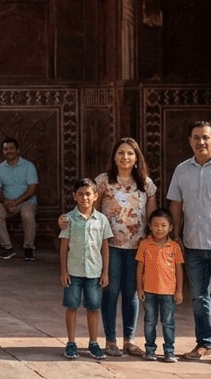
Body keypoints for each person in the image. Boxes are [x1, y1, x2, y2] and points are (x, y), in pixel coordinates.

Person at [94, 138, 157, 357]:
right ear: (114, 156)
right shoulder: (103, 182)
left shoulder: (145, 184)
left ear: (136, 157)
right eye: (121, 153)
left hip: (137, 246)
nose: (125, 157)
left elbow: (151, 215)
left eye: (130, 153)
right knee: (111, 291)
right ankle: (110, 340)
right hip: (109, 245)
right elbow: (91, 209)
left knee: (131, 293)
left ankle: (129, 340)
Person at [167, 120, 211, 360]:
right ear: (190, 141)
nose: (201, 142)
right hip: (193, 243)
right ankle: (204, 343)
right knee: (199, 296)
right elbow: (175, 204)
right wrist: (176, 236)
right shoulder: (182, 170)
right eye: (196, 137)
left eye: (205, 137)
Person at [58, 178, 112, 360]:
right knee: (72, 306)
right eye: (80, 194)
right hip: (73, 271)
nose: (85, 198)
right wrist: (64, 271)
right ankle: (71, 342)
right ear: (74, 196)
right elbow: (64, 247)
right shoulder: (69, 219)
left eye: (88, 194)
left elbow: (104, 247)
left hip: (94, 272)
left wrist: (105, 272)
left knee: (93, 307)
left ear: (96, 196)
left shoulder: (102, 220)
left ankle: (94, 342)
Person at [137, 208, 184, 362]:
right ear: (150, 226)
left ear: (170, 227)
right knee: (150, 321)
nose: (159, 229)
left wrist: (179, 291)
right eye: (156, 225)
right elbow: (139, 268)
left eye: (163, 225)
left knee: (168, 322)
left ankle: (169, 351)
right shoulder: (144, 244)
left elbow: (179, 270)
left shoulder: (174, 247)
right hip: (149, 290)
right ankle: (150, 350)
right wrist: (139, 288)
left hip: (168, 292)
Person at [0, 137, 39, 261]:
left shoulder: (28, 166)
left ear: (18, 150)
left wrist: (16, 202)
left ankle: (29, 248)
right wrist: (5, 202)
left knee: (28, 215)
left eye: (11, 148)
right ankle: (8, 248)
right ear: (3, 151)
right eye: (5, 149)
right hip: (7, 202)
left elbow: (32, 189)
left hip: (26, 202)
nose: (9, 151)